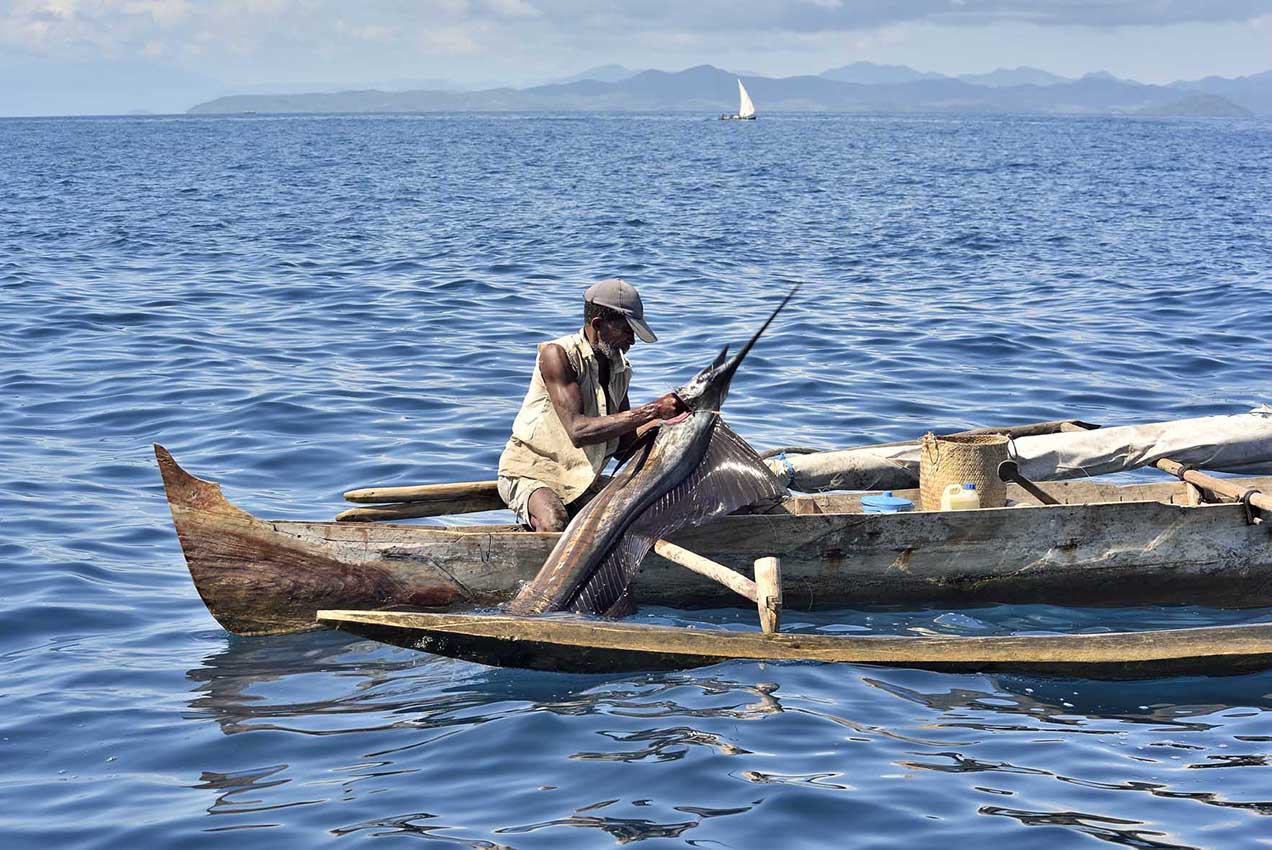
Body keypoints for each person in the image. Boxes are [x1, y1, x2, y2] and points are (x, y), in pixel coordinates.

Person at [497, 278, 685, 531]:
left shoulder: (619, 370)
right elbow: (578, 431)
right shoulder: (557, 355)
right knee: (555, 523)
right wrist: (653, 409)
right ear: (599, 325)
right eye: (627, 330)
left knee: (645, 515)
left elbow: (623, 446)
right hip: (532, 472)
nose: (632, 340)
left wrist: (670, 422)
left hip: (580, 479)